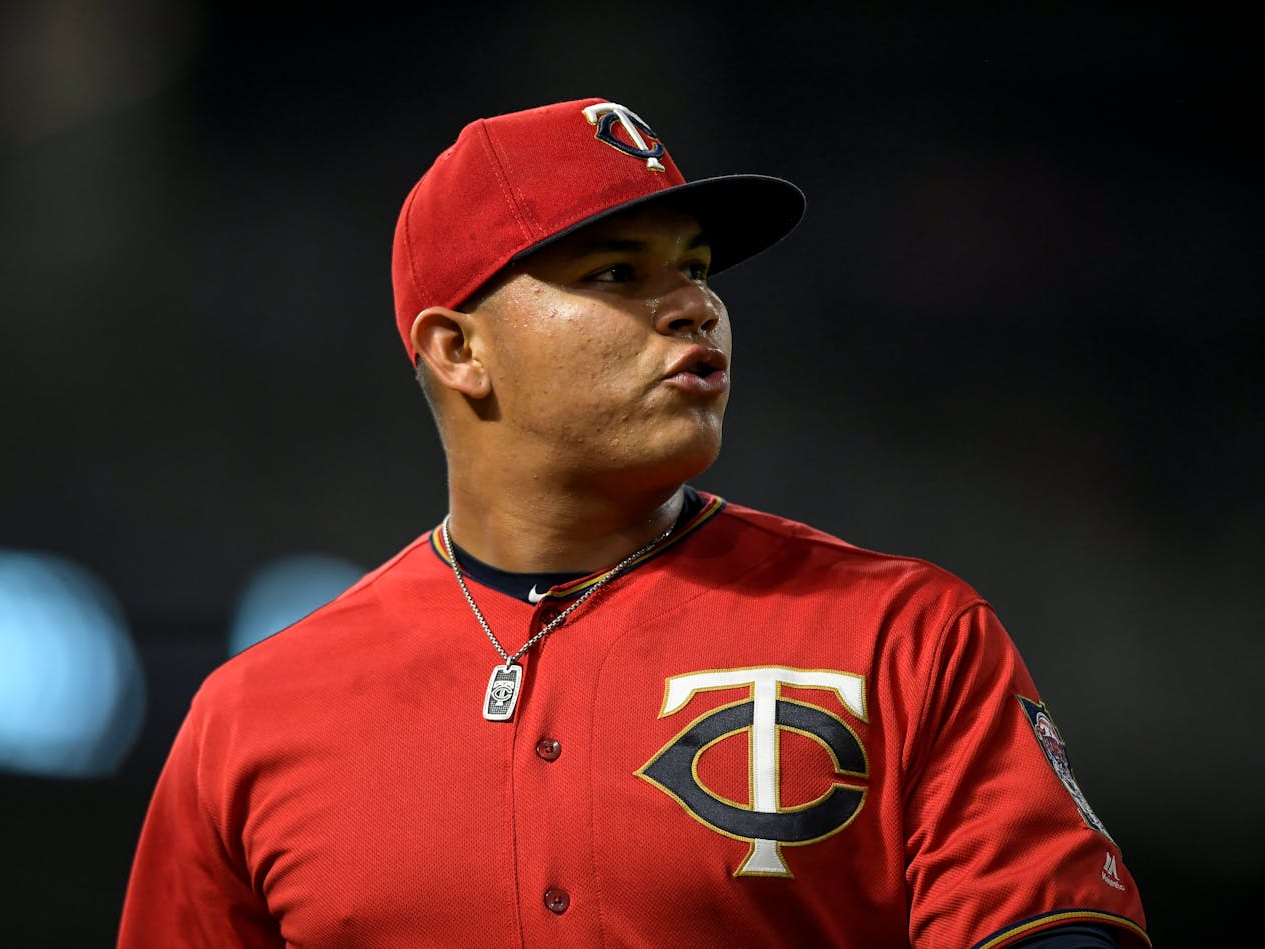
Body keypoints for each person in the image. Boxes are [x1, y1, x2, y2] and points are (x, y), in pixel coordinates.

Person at [117, 97, 1150, 948]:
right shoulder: (253, 719)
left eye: (694, 265)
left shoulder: (900, 633)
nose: (693, 304)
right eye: (616, 272)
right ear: (457, 350)